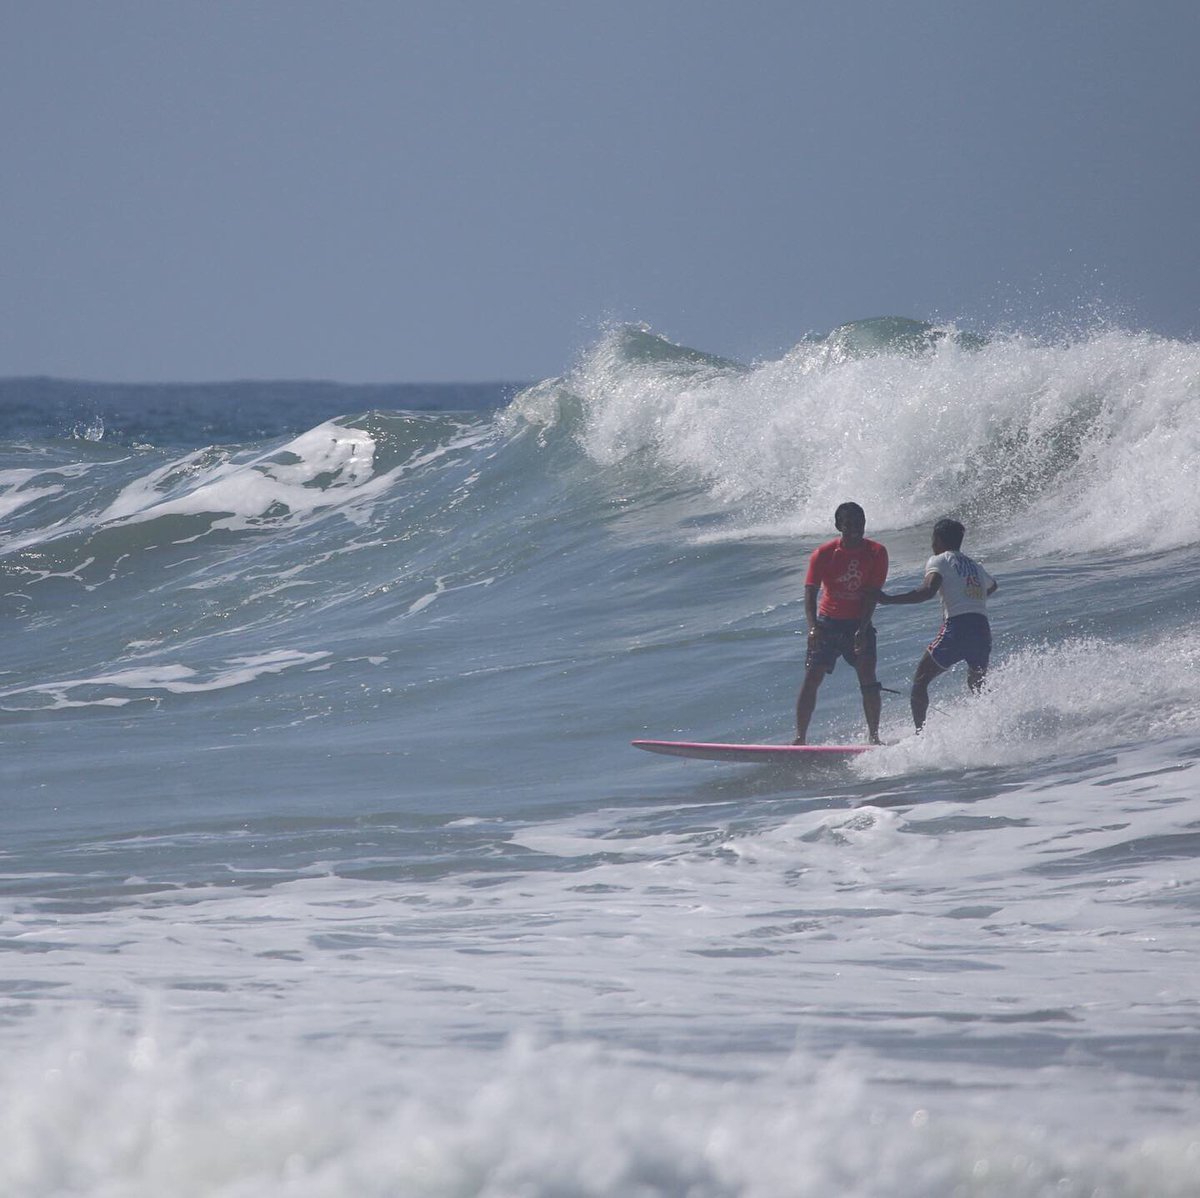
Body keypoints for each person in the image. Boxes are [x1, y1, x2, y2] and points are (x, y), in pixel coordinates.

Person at [876, 517, 998, 731]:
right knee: (976, 683)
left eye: (933, 539)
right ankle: (994, 723)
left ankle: (919, 735)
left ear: (939, 540)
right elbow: (993, 585)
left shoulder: (939, 560)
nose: (932, 544)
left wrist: (888, 599)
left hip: (958, 628)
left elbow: (927, 592)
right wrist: (972, 599)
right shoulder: (974, 565)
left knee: (920, 680)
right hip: (982, 629)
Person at [795, 501, 889, 744]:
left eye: (859, 524)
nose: (855, 529)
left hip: (859, 623)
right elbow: (810, 592)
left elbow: (871, 594)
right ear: (838, 526)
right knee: (811, 678)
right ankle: (800, 739)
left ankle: (874, 738)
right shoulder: (824, 554)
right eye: (848, 525)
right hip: (827, 624)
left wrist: (862, 628)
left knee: (868, 679)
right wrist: (813, 627)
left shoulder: (877, 552)